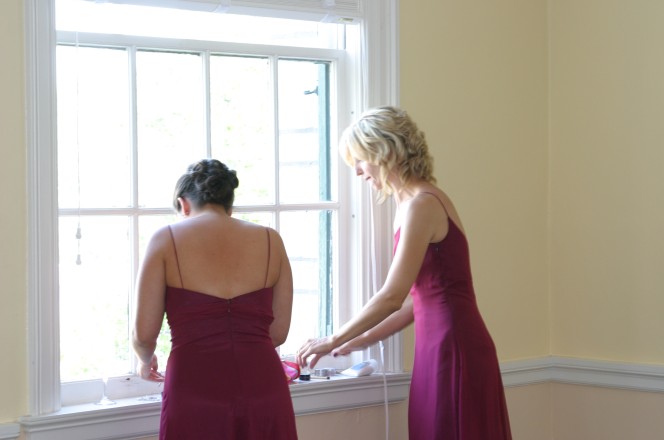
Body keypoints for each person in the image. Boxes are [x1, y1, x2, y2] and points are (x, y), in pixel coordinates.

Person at [297, 106, 512, 439]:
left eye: (360, 160)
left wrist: (333, 339)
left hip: (454, 347)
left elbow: (392, 296)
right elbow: (418, 301)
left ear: (385, 152)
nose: (357, 171)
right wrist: (359, 339)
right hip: (437, 347)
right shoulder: (409, 204)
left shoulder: (422, 204)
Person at [132, 158, 298, 439]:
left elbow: (144, 336)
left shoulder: (164, 239)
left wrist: (145, 361)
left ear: (184, 204)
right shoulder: (271, 239)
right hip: (264, 387)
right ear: (229, 205)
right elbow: (278, 333)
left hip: (194, 389)